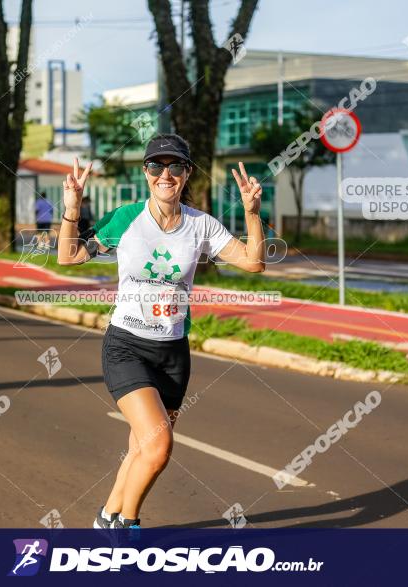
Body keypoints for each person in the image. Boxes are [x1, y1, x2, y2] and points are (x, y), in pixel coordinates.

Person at [57, 134, 266, 530]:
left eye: (175, 167)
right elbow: (69, 256)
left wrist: (252, 213)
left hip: (173, 354)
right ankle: (127, 526)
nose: (164, 175)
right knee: (159, 446)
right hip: (127, 347)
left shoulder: (200, 225)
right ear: (145, 173)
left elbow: (254, 263)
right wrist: (71, 212)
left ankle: (106, 516)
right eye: (156, 166)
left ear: (186, 174)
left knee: (141, 446)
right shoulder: (126, 218)